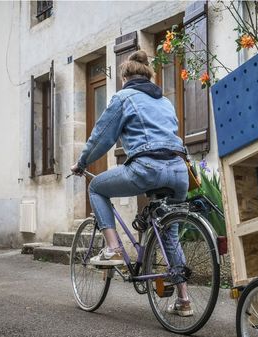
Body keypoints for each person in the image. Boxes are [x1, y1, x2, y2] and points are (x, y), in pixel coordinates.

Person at [70, 50, 192, 317]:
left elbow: (101, 136)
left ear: (125, 77)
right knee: (170, 234)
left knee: (96, 187)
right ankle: (184, 300)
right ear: (148, 75)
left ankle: (113, 247)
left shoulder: (123, 97)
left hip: (148, 168)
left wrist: (81, 163)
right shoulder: (165, 102)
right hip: (179, 170)